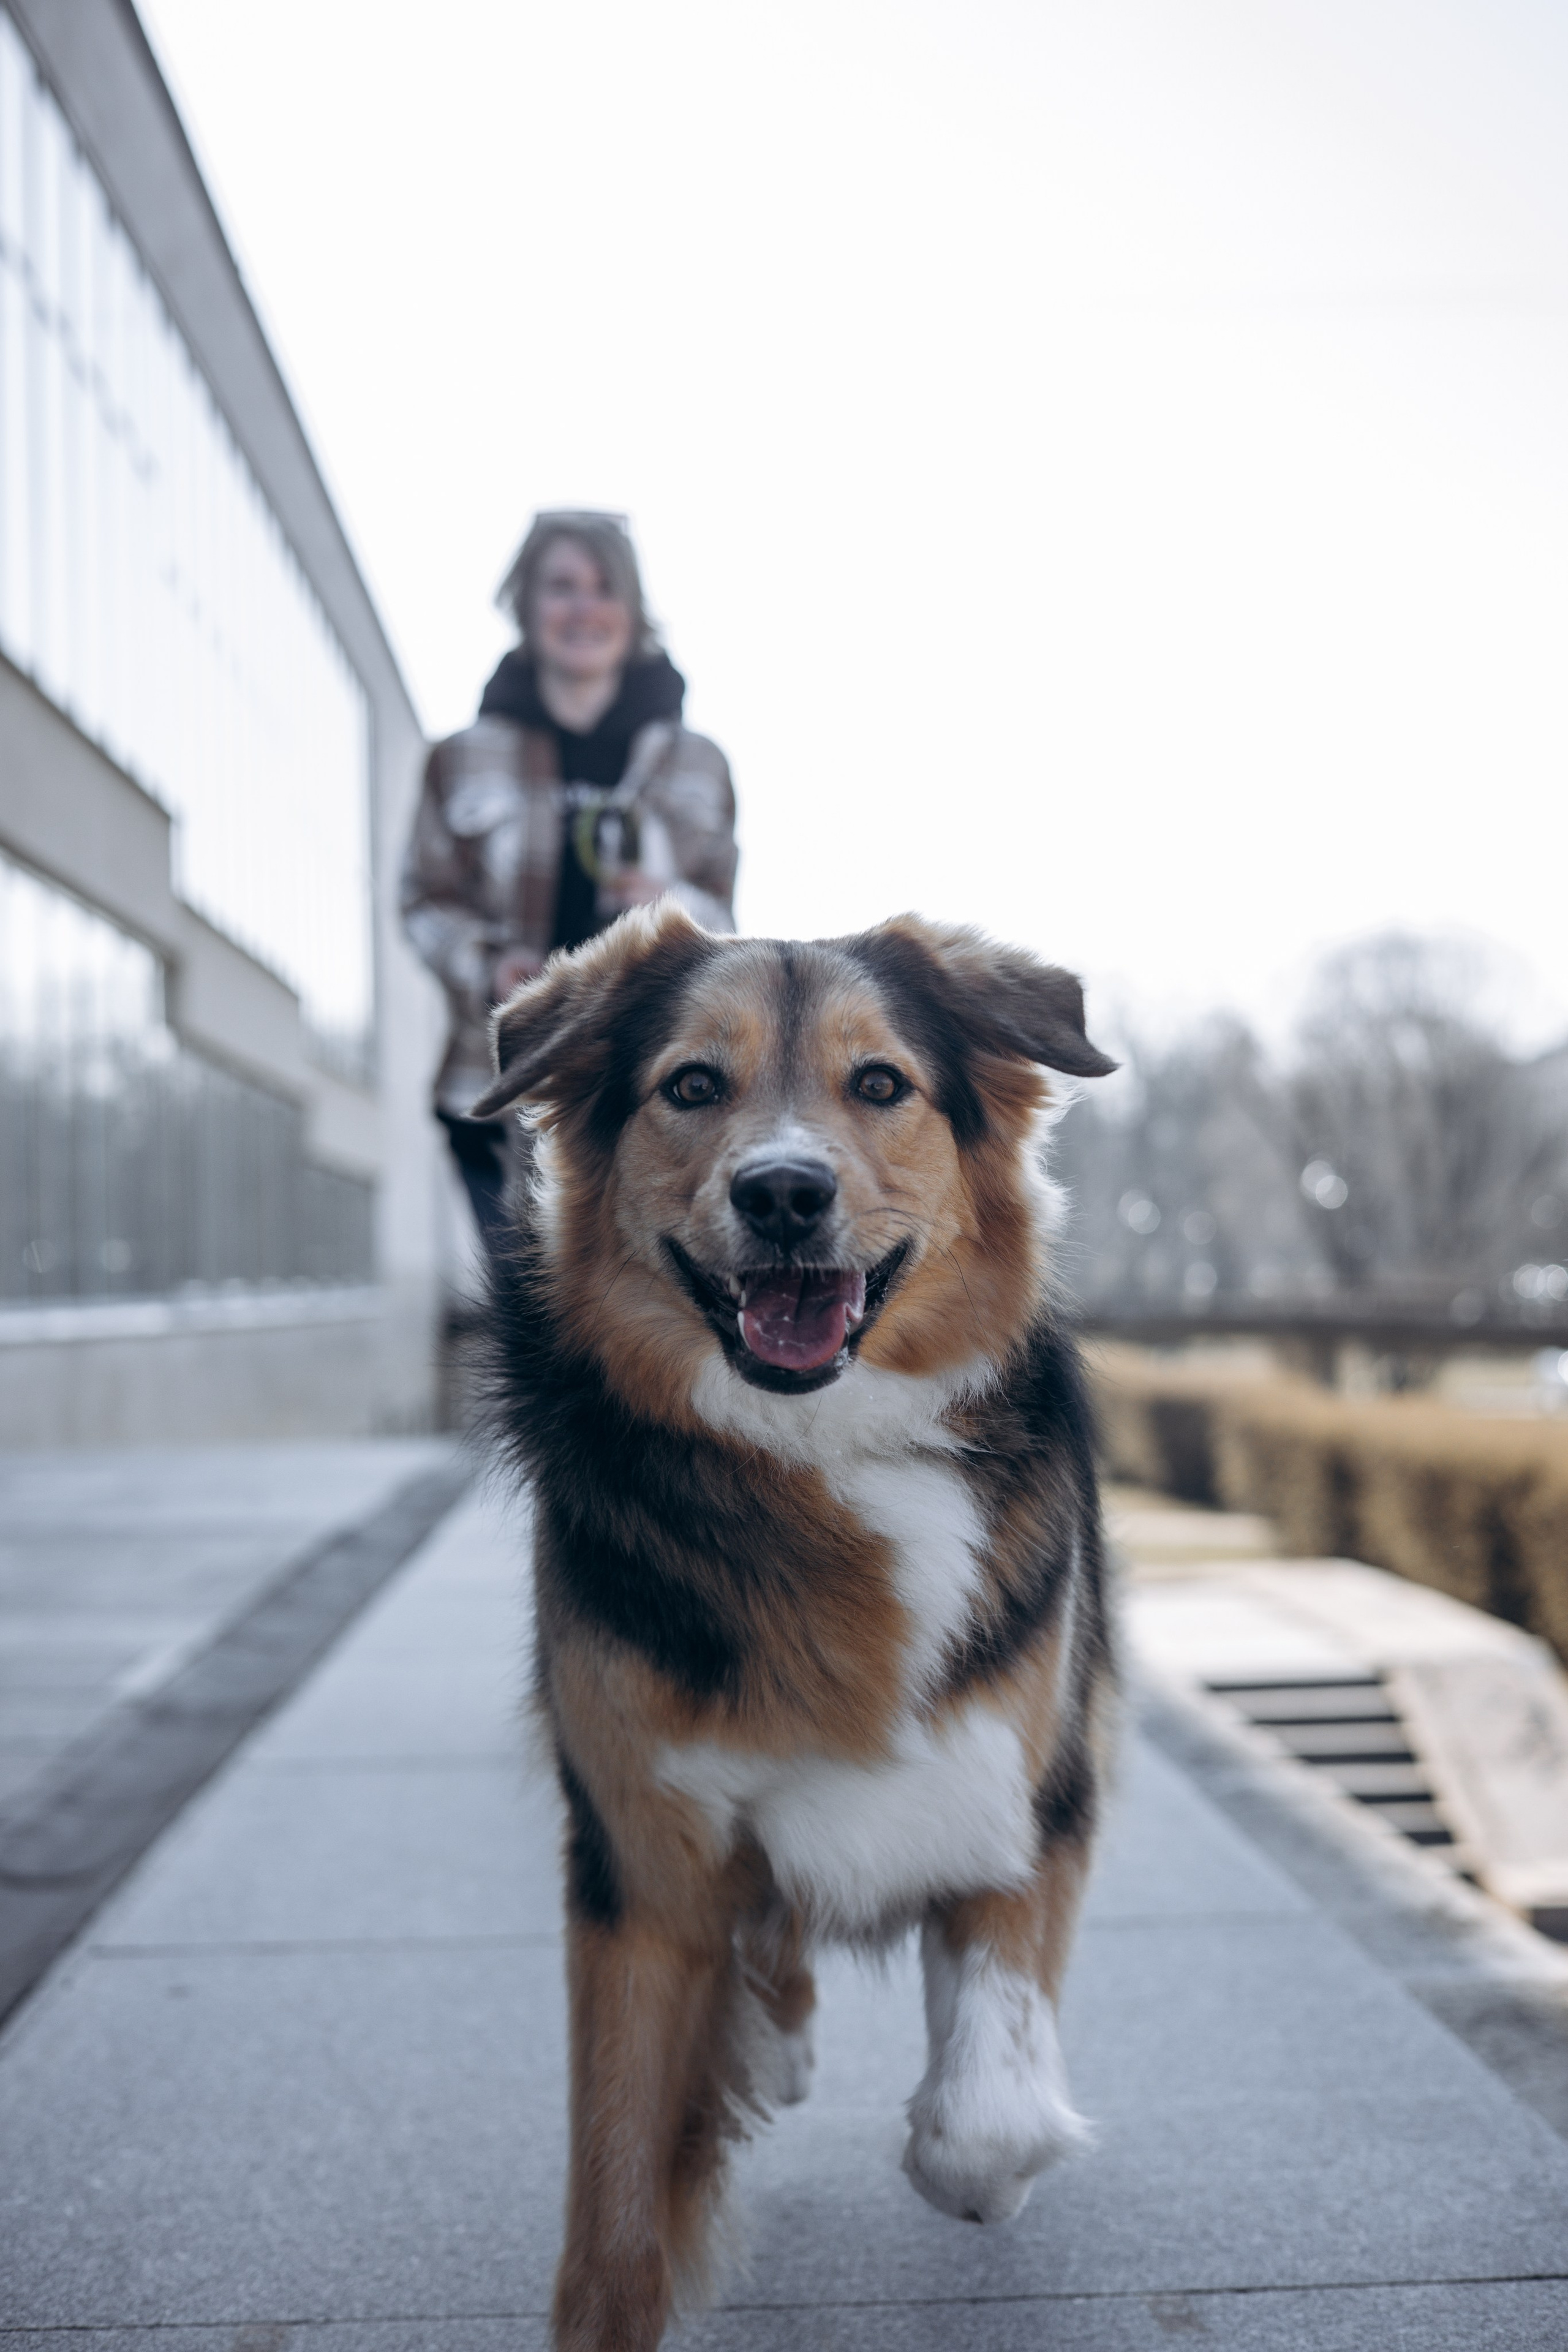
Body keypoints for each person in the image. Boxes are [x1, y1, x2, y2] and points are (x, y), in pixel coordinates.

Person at [401, 511, 737, 1251]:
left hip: (655, 1099)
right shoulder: (459, 759)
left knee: (644, 1333)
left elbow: (727, 917)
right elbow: (423, 901)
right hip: (494, 1090)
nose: (583, 608)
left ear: (633, 609)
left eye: (603, 588)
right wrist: (488, 966)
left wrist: (670, 905)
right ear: (524, 605)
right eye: (561, 587)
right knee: (533, 1330)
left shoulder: (700, 763)